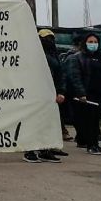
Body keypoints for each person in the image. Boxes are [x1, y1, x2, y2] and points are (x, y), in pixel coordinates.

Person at [23, 29, 68, 163]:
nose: (50, 41)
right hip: (36, 94)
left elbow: (60, 75)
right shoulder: (34, 55)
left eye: (51, 38)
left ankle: (45, 150)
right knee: (34, 122)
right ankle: (29, 150)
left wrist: (61, 91)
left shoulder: (55, 56)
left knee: (47, 123)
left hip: (51, 95)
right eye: (46, 38)